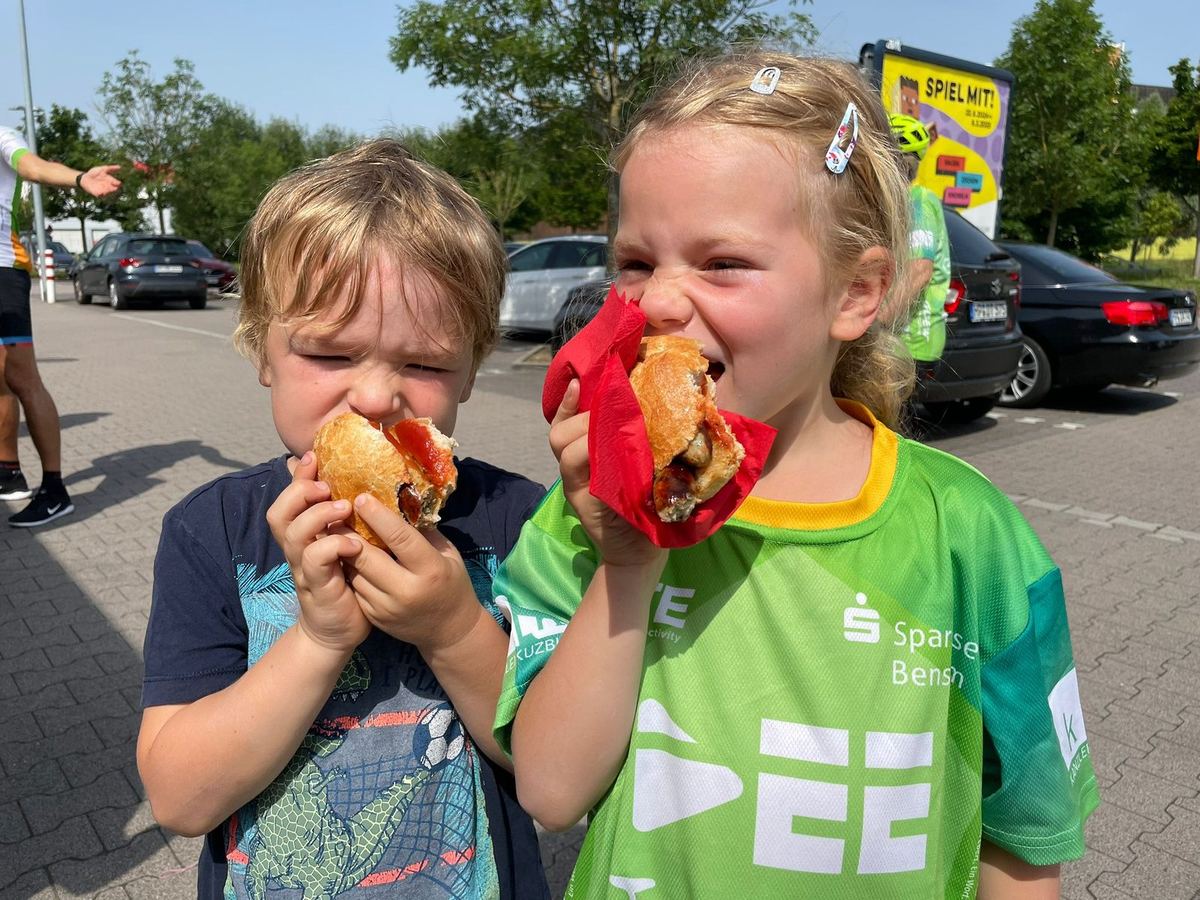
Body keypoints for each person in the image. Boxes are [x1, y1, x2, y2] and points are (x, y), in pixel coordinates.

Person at [492, 52, 1099, 898]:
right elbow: (552, 793)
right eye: (635, 261)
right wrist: (629, 566)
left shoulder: (970, 535)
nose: (660, 301)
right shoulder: (590, 512)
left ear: (856, 293)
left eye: (723, 263)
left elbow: (1026, 844)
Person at [136, 140, 549, 899]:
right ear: (263, 348)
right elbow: (181, 797)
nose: (374, 397)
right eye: (331, 354)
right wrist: (320, 639)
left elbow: (554, 768)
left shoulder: (518, 521)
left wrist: (455, 627)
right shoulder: (213, 531)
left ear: (471, 365)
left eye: (423, 365)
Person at [0, 125, 121, 524]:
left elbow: (33, 167)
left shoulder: (2, 136)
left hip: (2, 270)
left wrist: (79, 177)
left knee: (22, 379)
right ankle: (9, 473)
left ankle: (54, 489)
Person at [889, 112, 950, 365]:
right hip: (901, 344)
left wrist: (877, 320)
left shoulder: (917, 202)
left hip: (910, 344)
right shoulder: (899, 202)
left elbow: (919, 271)